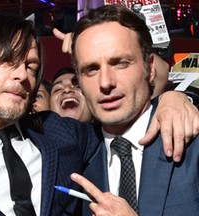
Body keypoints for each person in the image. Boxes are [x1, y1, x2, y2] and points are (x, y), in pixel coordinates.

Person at [0, 7, 198, 216]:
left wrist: (176, 98)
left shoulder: (59, 133)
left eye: (32, 67)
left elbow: (130, 112)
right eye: (6, 61)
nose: (22, 76)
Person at [68, 4, 199, 215]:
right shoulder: (74, 157)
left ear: (150, 68)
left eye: (120, 63)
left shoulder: (192, 142)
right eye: (91, 69)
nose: (105, 82)